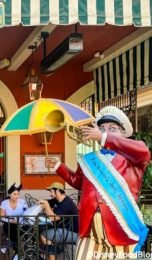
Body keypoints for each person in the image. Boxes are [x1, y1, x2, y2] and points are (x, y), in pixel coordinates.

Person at [47, 106, 150, 259]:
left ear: (123, 133)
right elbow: (77, 182)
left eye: (112, 128)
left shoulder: (133, 157)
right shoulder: (89, 159)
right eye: (102, 128)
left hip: (122, 230)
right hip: (90, 231)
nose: (105, 131)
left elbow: (144, 151)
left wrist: (103, 137)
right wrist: (58, 166)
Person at [39, 182, 79, 260]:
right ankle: (49, 252)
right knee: (41, 230)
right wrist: (43, 203)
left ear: (57, 191)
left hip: (72, 233)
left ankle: (52, 255)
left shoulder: (66, 204)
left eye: (51, 191)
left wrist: (46, 204)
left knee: (43, 235)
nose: (50, 194)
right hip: (63, 229)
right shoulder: (58, 200)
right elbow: (47, 202)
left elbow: (52, 218)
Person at [0, 183, 28, 253]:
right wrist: (12, 221)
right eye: (14, 194)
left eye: (18, 194)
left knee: (19, 230)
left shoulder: (22, 202)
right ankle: (19, 252)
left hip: (21, 226)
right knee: (12, 227)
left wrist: (19, 221)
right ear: (9, 195)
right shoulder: (4, 203)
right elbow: (2, 217)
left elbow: (26, 214)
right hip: (9, 226)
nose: (17, 196)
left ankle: (10, 243)